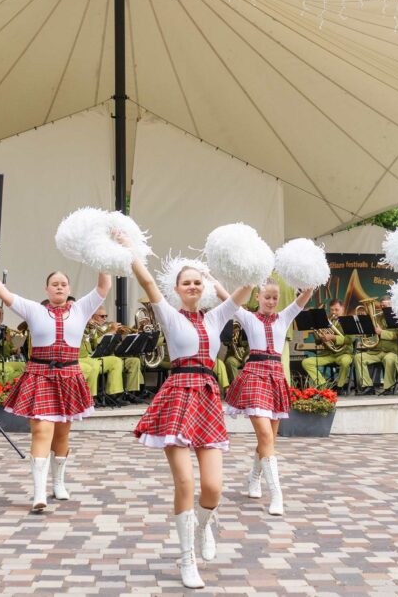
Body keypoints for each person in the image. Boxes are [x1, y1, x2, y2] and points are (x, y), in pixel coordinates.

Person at [121, 232, 242, 590]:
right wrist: (130, 250)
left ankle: (204, 525)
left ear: (205, 287)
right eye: (186, 282)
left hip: (207, 397)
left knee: (213, 488)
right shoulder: (169, 316)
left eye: (197, 282)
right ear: (177, 289)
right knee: (185, 482)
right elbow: (146, 281)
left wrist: (250, 261)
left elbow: (243, 293)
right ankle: (187, 558)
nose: (192, 286)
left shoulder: (216, 316)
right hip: (177, 395)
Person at [0, 269, 112, 513]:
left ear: (69, 289)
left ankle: (58, 483)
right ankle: (39, 492)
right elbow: (5, 294)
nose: (59, 287)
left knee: (62, 435)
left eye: (63, 283)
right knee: (41, 431)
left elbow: (103, 287)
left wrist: (102, 260)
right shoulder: (34, 310)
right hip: (40, 375)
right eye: (54, 284)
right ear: (46, 289)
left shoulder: (81, 309)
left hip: (69, 376)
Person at [221, 279, 315, 517]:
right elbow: (227, 298)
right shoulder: (248, 317)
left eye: (275, 298)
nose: (271, 302)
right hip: (254, 376)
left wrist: (313, 278)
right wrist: (210, 279)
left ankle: (254, 477)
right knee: (264, 435)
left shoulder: (284, 317)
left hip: (275, 378)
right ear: (257, 297)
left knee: (269, 440)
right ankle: (276, 495)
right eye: (267, 297)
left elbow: (304, 297)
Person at [300, 300, 354, 391]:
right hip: (328, 354)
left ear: (343, 308)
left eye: (336, 310)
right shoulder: (325, 321)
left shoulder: (349, 321)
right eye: (332, 310)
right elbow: (318, 342)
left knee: (345, 362)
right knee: (306, 362)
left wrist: (333, 337)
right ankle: (322, 385)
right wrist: (317, 332)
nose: (334, 312)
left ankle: (340, 386)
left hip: (344, 353)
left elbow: (349, 340)